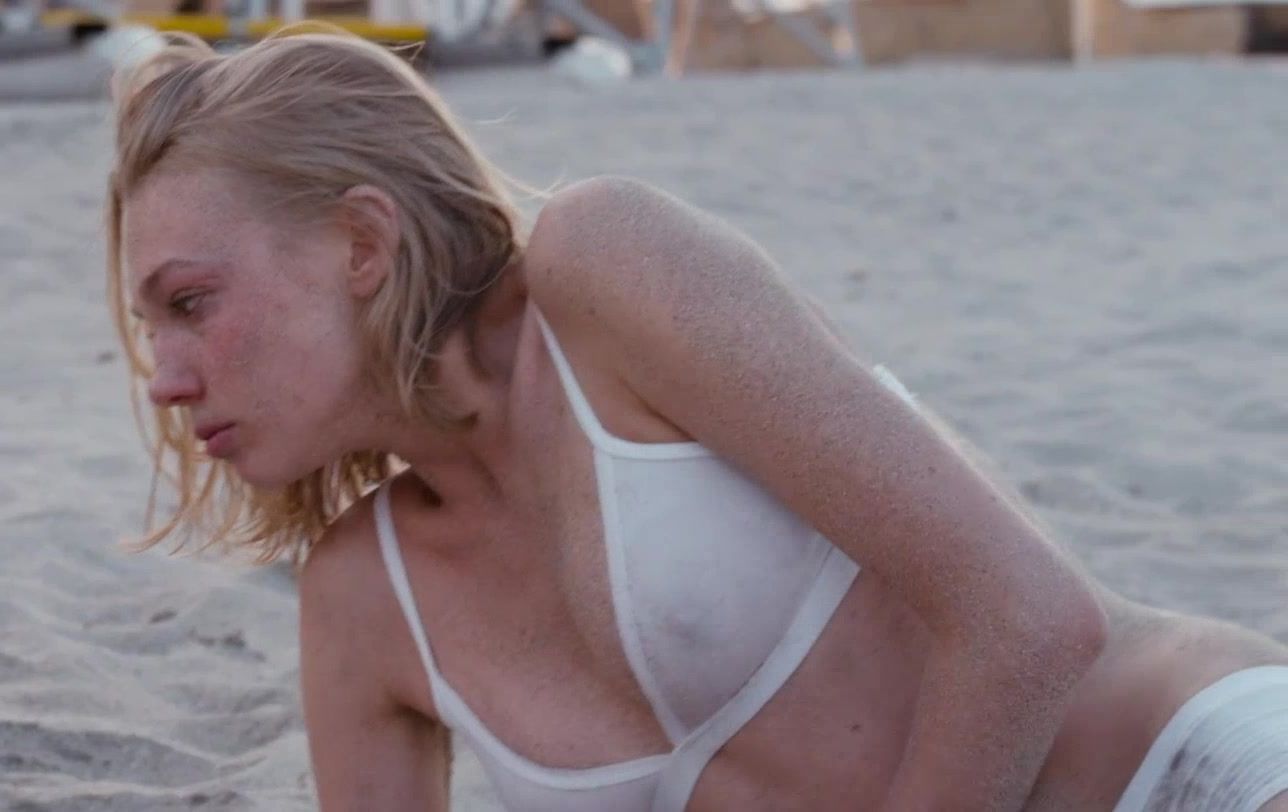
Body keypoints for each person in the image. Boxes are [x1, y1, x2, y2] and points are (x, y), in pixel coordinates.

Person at [106, 30, 1288, 812]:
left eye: (191, 303)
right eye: (151, 328)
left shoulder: (601, 278)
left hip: (1184, 766)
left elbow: (1028, 619)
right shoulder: (361, 602)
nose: (165, 379)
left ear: (362, 242)